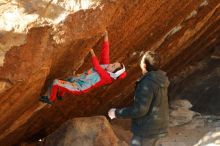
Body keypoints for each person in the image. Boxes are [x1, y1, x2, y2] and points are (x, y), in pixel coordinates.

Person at [40, 31, 126, 104]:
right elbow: (105, 52)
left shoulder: (107, 77)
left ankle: (50, 99)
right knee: (68, 78)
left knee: (55, 82)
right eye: (113, 63)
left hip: (79, 87)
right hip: (79, 79)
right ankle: (60, 94)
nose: (111, 64)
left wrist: (91, 52)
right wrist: (106, 36)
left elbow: (97, 67)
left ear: (113, 73)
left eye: (113, 66)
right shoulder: (107, 67)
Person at [108, 51, 170, 146]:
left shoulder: (147, 83)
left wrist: (116, 113)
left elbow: (140, 110)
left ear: (144, 65)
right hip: (159, 127)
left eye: (141, 59)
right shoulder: (161, 79)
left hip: (146, 131)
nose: (140, 60)